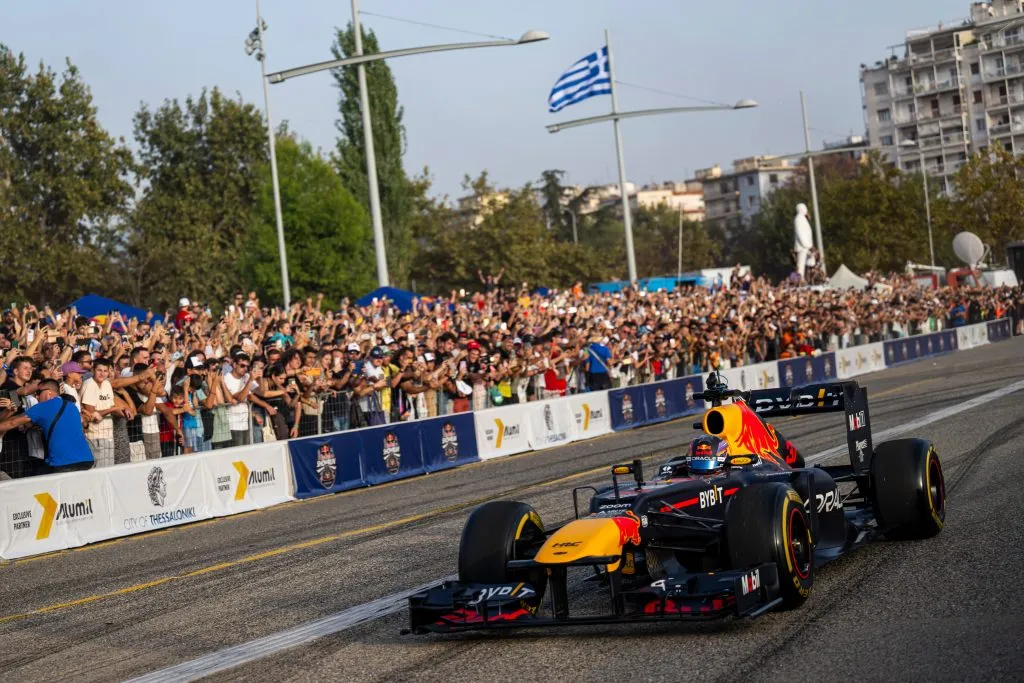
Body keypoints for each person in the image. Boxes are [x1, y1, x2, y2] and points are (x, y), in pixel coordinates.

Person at [0, 379, 93, 474]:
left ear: (49, 392)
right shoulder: (72, 406)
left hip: (62, 463)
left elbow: (12, 423)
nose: (36, 396)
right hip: (86, 460)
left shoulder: (43, 406)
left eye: (38, 392)